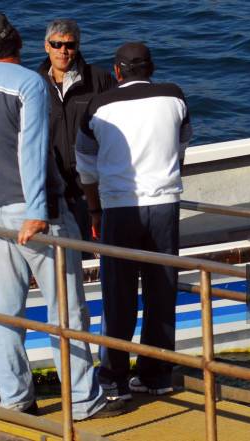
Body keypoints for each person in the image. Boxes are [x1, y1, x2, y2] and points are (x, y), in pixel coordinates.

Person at [0, 12, 124, 420]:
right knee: (68, 310)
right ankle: (83, 400)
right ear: (19, 45)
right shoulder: (31, 82)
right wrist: (36, 211)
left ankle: (15, 399)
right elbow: (31, 149)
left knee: (5, 312)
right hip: (40, 214)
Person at [75, 42, 192, 400]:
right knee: (162, 290)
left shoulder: (98, 105)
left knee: (118, 294)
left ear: (117, 72)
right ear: (151, 68)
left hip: (119, 208)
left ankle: (114, 379)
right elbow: (182, 145)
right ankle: (156, 375)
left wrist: (94, 210)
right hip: (165, 205)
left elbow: (85, 166)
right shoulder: (175, 97)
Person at [38, 19, 116, 246]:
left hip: (93, 187)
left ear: (78, 46)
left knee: (99, 250)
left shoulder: (100, 80)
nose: (63, 51)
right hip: (52, 188)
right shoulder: (34, 85)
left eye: (70, 45)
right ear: (46, 46)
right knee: (61, 254)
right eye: (56, 44)